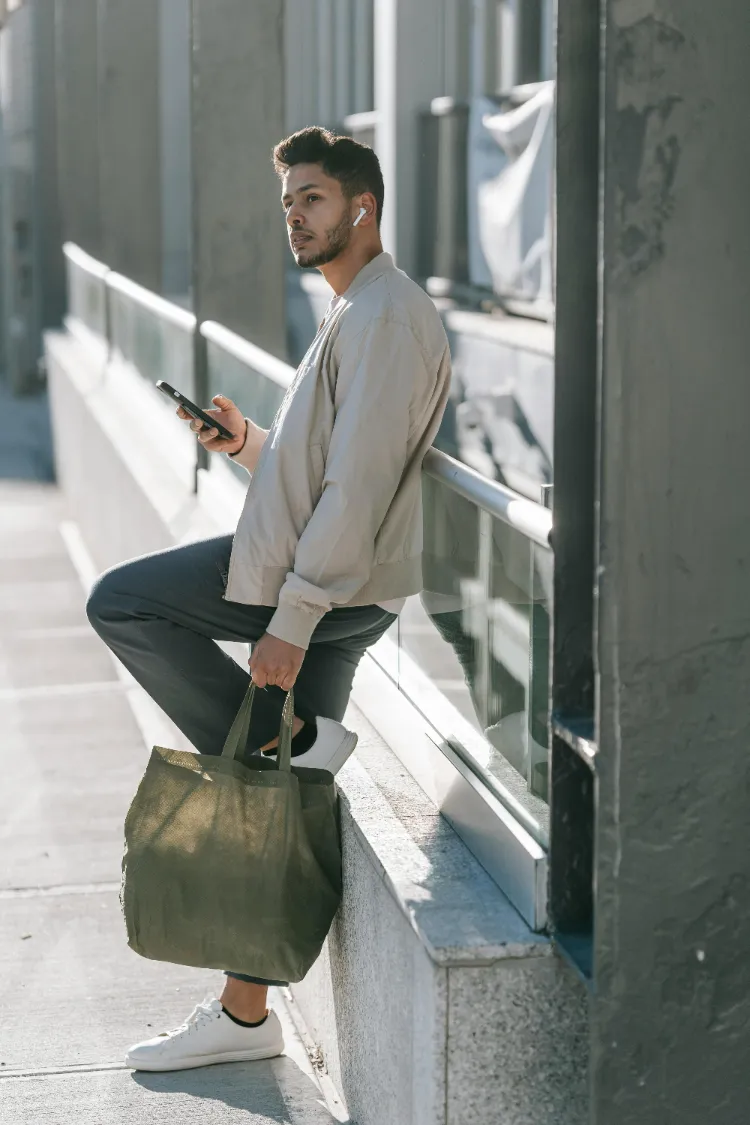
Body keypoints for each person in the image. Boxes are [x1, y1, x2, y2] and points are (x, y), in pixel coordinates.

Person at [86, 126, 451, 1072]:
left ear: (362, 206)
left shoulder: (384, 317)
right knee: (276, 796)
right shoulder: (355, 309)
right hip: (332, 580)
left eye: (315, 199)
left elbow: (359, 488)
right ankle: (247, 1014)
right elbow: (321, 467)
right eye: (288, 200)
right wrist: (248, 443)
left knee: (123, 602)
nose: (295, 214)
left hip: (315, 587)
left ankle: (282, 734)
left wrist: (288, 624)